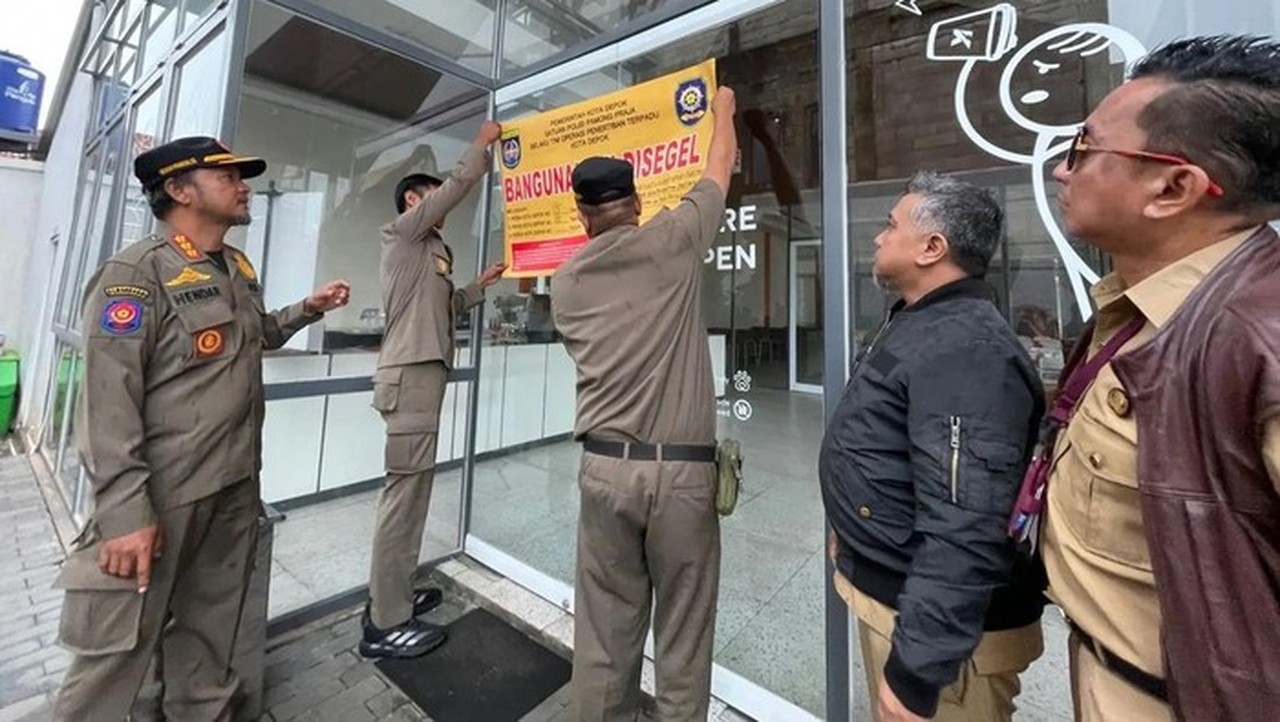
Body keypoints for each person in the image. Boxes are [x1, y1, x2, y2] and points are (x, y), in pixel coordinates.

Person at [53, 136, 350, 720]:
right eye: (227, 176)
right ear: (179, 190)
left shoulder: (235, 266)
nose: (244, 187)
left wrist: (308, 309)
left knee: (212, 635)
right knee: (117, 656)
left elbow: (257, 334)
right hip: (162, 496)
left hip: (233, 483)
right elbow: (108, 403)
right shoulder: (136, 274)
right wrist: (125, 513)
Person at [1037, 35, 1280, 721]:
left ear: (1174, 188)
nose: (1060, 169)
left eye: (1084, 149)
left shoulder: (1259, 339)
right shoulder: (1137, 308)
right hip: (1107, 671)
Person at [819, 171, 1046, 721]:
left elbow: (967, 521)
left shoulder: (968, 348)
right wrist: (849, 527)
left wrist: (918, 669)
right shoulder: (920, 321)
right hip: (896, 594)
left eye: (890, 225)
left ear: (932, 247)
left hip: (939, 641)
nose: (878, 237)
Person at [550, 85, 737, 720]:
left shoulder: (565, 283)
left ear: (581, 214)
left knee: (604, 634)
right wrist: (724, 109)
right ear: (636, 202)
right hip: (682, 476)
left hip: (604, 470)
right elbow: (718, 168)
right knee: (684, 633)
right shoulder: (672, 239)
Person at [361, 121, 507, 658]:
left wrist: (478, 286)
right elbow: (457, 187)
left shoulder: (431, 251)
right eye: (432, 193)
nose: (442, 201)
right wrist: (481, 144)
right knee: (404, 498)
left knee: (413, 494)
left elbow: (444, 309)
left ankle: (392, 596)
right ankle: (385, 624)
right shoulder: (402, 234)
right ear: (412, 200)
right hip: (411, 376)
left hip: (423, 374)